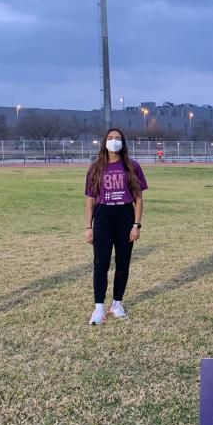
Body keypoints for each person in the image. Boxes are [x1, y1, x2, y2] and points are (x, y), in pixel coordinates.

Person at [84, 128, 147, 325]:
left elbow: (138, 199)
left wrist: (136, 224)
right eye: (110, 138)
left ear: (123, 142)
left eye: (118, 138)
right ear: (104, 142)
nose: (114, 141)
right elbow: (90, 200)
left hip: (125, 216)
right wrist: (88, 226)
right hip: (103, 216)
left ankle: (117, 304)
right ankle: (99, 308)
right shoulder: (96, 168)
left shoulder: (132, 166)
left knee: (123, 262)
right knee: (100, 262)